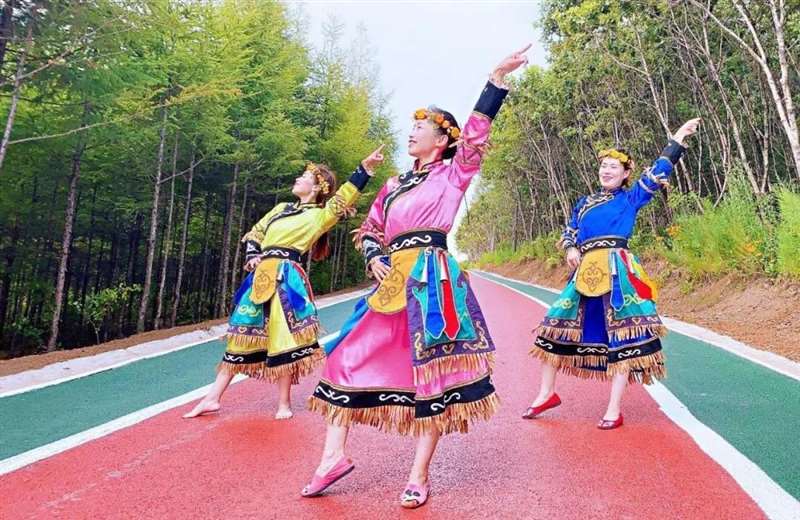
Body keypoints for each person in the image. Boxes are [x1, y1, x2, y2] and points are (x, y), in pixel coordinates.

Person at [301, 45, 531, 508]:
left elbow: (476, 138)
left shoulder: (455, 173)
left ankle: (419, 474)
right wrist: (373, 255)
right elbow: (370, 229)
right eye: (411, 128)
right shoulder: (392, 185)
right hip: (390, 283)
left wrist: (495, 82)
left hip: (433, 280)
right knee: (343, 356)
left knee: (434, 376)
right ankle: (332, 457)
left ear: (442, 139)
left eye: (420, 128)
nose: (411, 133)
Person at [523, 118, 702, 429]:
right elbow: (570, 231)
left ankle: (614, 409)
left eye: (613, 167)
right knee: (552, 328)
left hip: (618, 271)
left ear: (625, 174)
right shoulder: (584, 203)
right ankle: (546, 393)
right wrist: (570, 247)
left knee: (624, 334)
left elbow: (658, 171)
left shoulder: (631, 198)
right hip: (585, 273)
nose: (606, 171)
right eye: (603, 166)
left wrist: (677, 140)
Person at [183, 146, 384, 420]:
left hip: (286, 278)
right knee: (241, 333)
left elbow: (343, 197)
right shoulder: (280, 209)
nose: (298, 179)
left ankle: (284, 403)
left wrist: (365, 169)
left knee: (284, 337)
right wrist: (252, 255)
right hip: (260, 277)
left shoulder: (320, 215)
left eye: (304, 177)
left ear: (316, 188)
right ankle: (212, 398)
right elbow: (255, 233)